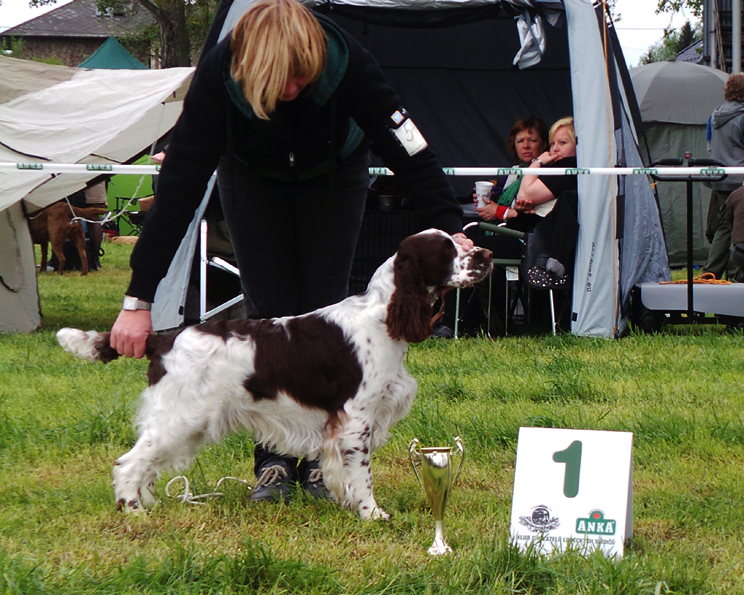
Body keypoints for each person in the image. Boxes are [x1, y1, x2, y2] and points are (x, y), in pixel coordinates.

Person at [109, 0, 472, 503]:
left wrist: (453, 234)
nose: (294, 90)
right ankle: (274, 463)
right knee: (270, 315)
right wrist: (138, 300)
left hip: (334, 176)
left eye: (302, 77)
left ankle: (327, 464)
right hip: (253, 180)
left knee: (325, 314)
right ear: (249, 69)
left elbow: (412, 155)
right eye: (281, 80)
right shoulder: (219, 74)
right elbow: (178, 189)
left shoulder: (350, 63)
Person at [436, 117, 577, 336]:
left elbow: (525, 195)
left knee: (466, 247)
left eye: (563, 143)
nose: (556, 149)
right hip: (523, 232)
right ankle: (474, 319)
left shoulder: (564, 169)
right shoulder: (521, 171)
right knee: (470, 235)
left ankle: (457, 322)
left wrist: (537, 163)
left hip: (532, 240)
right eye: (554, 144)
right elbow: (519, 203)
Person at [704, 73, 744, 280]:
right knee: (739, 229)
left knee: (723, 228)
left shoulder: (714, 115)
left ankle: (711, 271)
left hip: (720, 179)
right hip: (741, 181)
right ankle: (737, 273)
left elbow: (709, 145)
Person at [474, 116, 548, 224]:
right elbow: (499, 191)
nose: (526, 146)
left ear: (544, 144)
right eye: (520, 141)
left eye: (532, 140)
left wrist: (499, 212)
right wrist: (486, 198)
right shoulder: (515, 171)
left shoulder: (548, 173)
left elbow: (535, 217)